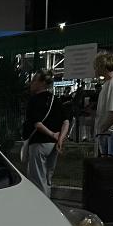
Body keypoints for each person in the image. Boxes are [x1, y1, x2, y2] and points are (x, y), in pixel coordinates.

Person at [21, 69, 70, 197]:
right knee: (48, 177)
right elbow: (66, 121)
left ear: (42, 83)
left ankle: (42, 204)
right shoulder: (55, 100)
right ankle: (48, 199)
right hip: (54, 145)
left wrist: (52, 134)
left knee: (38, 178)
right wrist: (60, 138)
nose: (31, 83)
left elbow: (37, 124)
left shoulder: (34, 101)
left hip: (39, 143)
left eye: (34, 80)